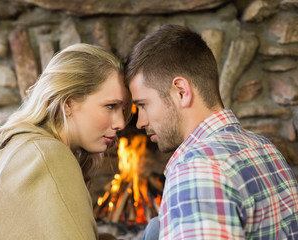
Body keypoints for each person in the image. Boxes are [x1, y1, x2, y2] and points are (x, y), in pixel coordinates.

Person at [0, 43, 131, 240]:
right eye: (110, 106)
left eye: (122, 108)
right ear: (68, 103)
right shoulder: (47, 155)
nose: (121, 123)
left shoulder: (23, 146)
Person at [125, 24, 298, 239]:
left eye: (143, 105)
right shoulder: (265, 148)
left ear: (181, 92)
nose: (140, 121)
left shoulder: (196, 170)